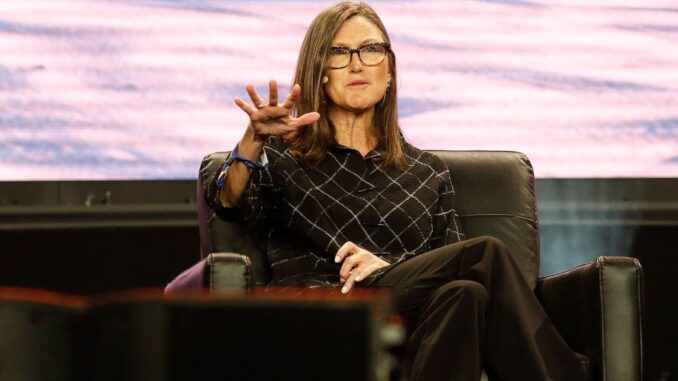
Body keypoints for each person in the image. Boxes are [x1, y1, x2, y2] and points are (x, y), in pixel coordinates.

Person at [206, 2, 584, 380]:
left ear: (388, 72)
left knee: (467, 294)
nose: (357, 64)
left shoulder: (427, 173)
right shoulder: (283, 156)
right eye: (339, 52)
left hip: (408, 319)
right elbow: (228, 200)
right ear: (320, 73)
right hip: (321, 311)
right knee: (485, 255)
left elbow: (448, 270)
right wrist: (253, 140)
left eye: (371, 50)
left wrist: (393, 270)